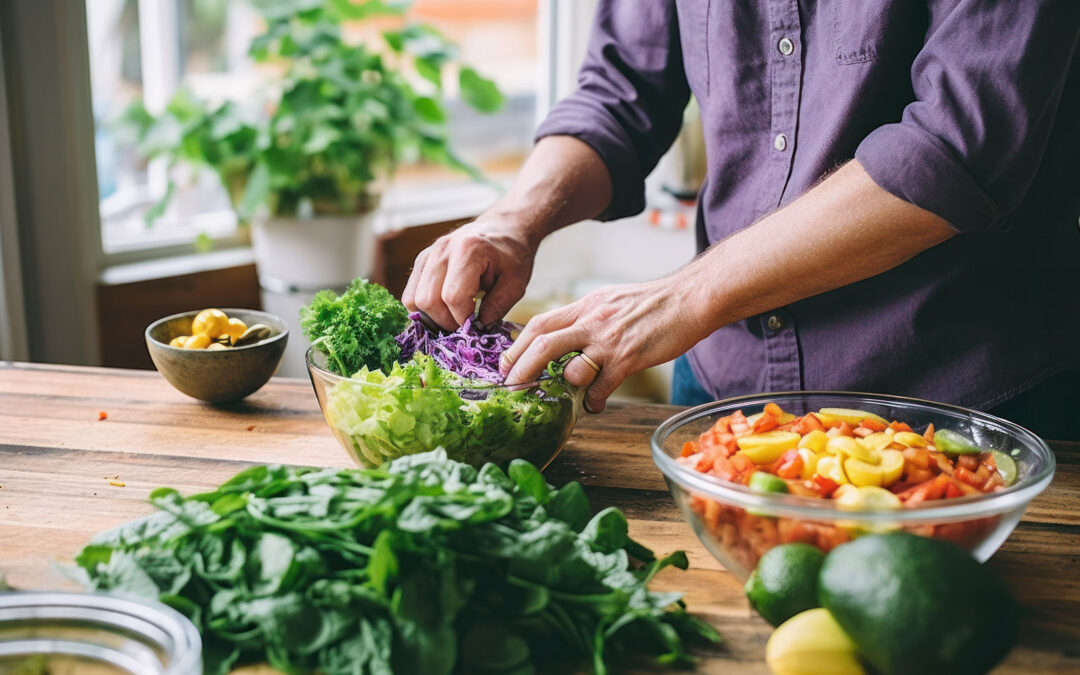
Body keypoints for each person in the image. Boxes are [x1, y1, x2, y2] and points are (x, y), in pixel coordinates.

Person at [403, 1, 1080, 440]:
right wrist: (511, 221)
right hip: (722, 389)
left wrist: (684, 294)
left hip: (956, 396)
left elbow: (956, 147)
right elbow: (620, 91)